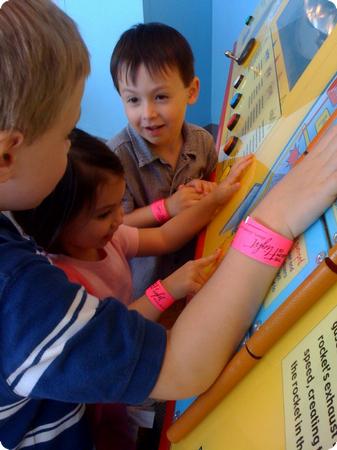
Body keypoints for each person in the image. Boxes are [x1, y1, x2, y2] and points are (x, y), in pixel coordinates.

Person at [1, 1, 337, 449]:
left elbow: (158, 234)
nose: (71, 148)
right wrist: (276, 215)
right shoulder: (18, 292)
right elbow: (180, 367)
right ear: (7, 155)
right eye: (67, 133)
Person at [13, 127, 250, 449]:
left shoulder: (109, 239)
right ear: (58, 221)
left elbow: (166, 236)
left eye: (117, 207)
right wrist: (166, 289)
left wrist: (217, 199)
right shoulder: (62, 279)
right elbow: (113, 331)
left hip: (133, 351)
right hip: (106, 382)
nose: (118, 220)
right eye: (103, 213)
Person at [107, 22, 219, 297]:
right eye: (133, 100)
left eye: (160, 97)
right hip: (148, 289)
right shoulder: (117, 157)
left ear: (191, 91)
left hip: (200, 265)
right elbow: (114, 225)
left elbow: (215, 190)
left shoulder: (202, 141)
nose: (148, 113)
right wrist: (167, 208)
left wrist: (207, 191)